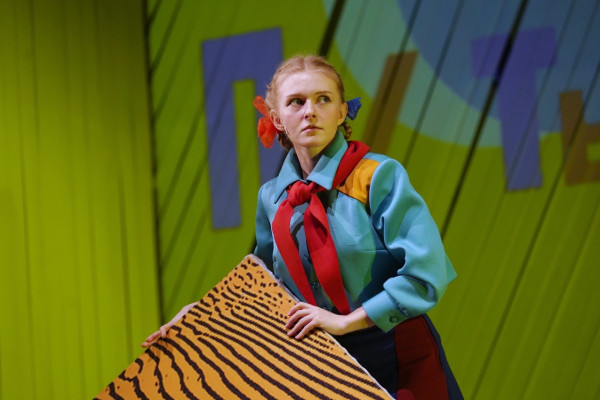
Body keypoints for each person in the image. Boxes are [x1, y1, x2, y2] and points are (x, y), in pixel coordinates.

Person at [144, 54, 462, 399]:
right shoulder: (272, 198)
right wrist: (204, 315)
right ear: (277, 119)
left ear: (341, 112)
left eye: (323, 99)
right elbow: (264, 286)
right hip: (322, 364)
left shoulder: (377, 176)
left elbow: (427, 273)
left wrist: (346, 322)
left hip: (397, 351)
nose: (310, 111)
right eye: (296, 102)